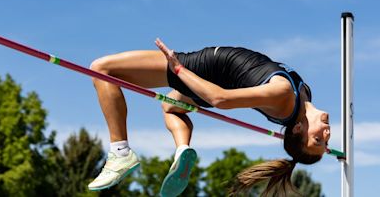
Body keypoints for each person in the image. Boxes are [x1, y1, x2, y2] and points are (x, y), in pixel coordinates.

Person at [87, 39, 331, 196]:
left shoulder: (285, 95)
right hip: (218, 77)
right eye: (326, 143)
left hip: (210, 70)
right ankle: (182, 149)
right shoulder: (304, 97)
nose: (326, 136)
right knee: (170, 106)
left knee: (102, 68)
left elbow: (220, 100)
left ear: (298, 129)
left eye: (317, 141)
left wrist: (179, 68)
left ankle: (120, 152)